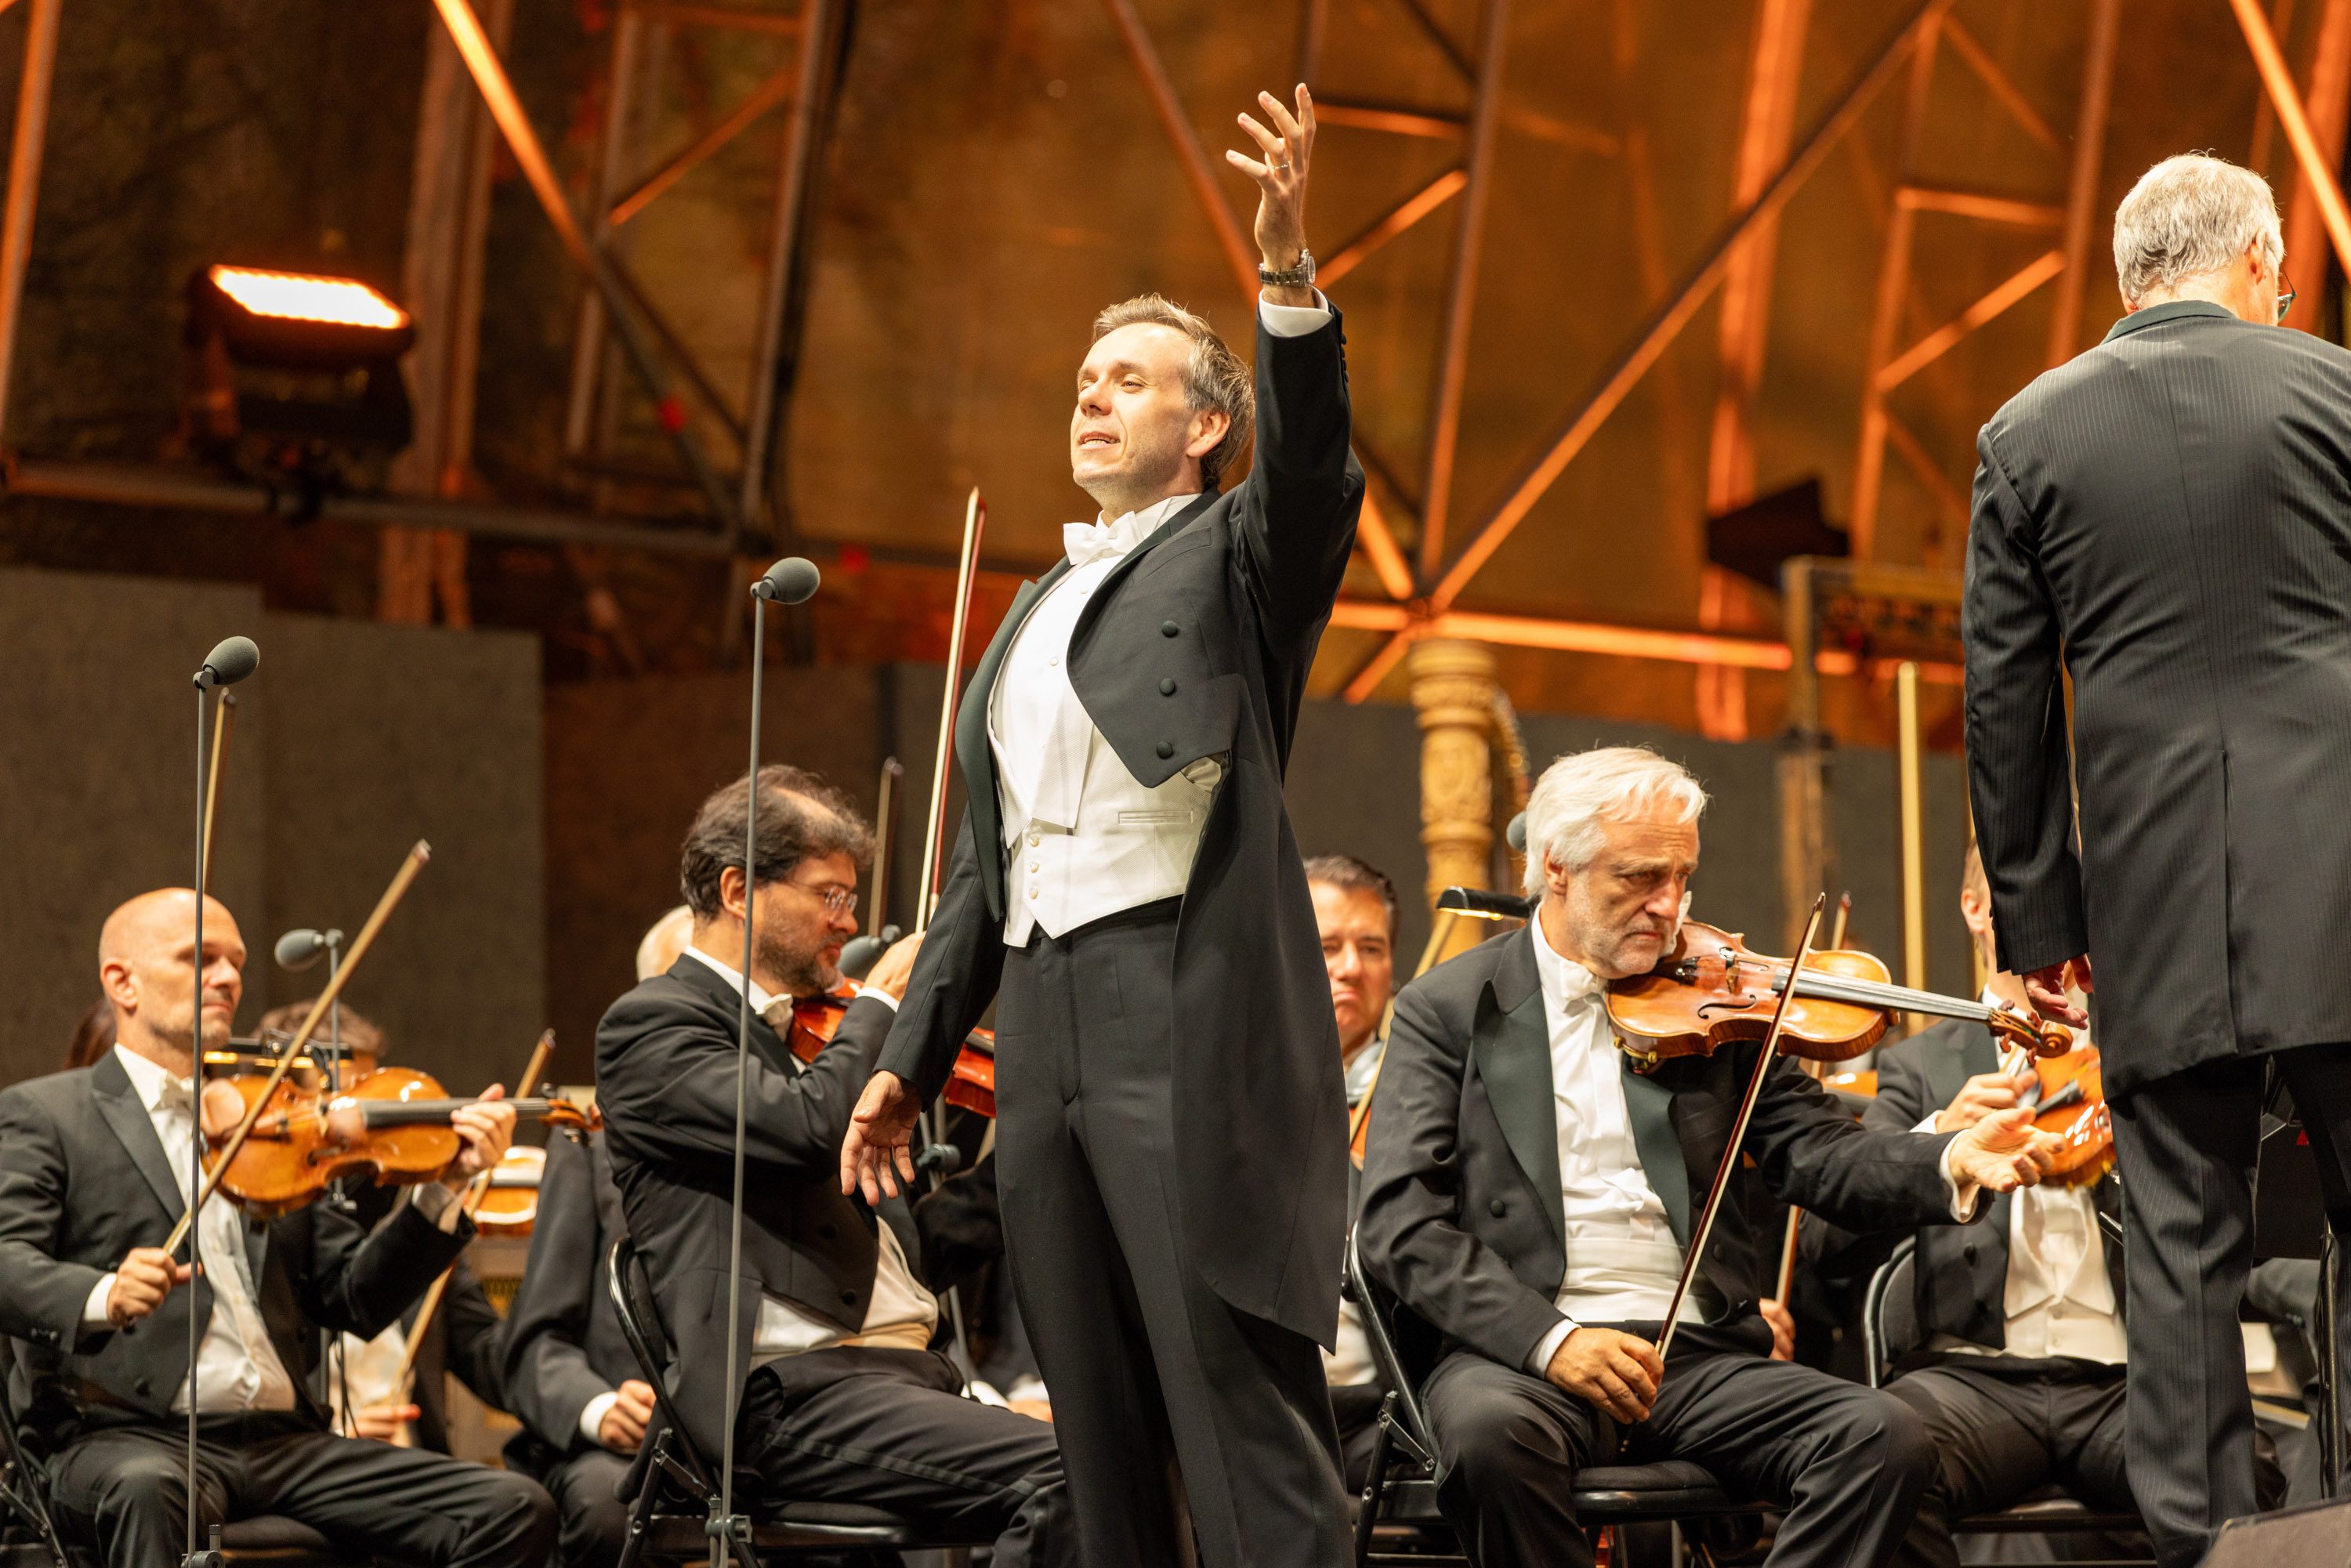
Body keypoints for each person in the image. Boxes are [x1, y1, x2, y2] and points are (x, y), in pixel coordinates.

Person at [842, 83, 1364, 1568]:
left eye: (1128, 379)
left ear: (1207, 425)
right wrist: (906, 1062)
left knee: (1229, 1397)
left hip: (1175, 995)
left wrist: (1285, 271)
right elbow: (978, 872)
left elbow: (1312, 471)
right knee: (1095, 1426)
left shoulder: (1240, 555)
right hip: (1044, 1017)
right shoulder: (1026, 612)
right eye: (1083, 377)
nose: (1091, 396)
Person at [1356, 748, 2065, 1568]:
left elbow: (1820, 1151)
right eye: (1639, 877)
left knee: (1884, 1436)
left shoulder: (1713, 1003)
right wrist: (1552, 1340)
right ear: (1556, 867)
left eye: (1682, 877)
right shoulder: (1448, 1007)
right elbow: (1401, 1225)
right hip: (1523, 1355)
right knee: (1488, 1438)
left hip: (1691, 1356)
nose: (1669, 906)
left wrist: (1950, 1158)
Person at [1962, 151, 2351, 1567]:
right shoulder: (2338, 393)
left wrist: (2037, 926)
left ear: (2129, 279)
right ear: (2259, 261)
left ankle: (2205, 1553)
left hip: (2154, 898)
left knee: (2181, 1250)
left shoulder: (2026, 431)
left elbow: (2003, 702)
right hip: (2344, 881)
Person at [595, 766, 1074, 1563]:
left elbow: (909, 1236)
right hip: (789, 1397)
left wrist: (1047, 1128)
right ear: (739, 891)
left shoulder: (811, 1032)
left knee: (1140, 1456)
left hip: (903, 1379)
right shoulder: (652, 1026)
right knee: (1084, 1475)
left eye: (849, 899)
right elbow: (808, 1128)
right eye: (830, 896)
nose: (848, 923)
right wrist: (882, 1006)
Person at [0, 889, 554, 1568]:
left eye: (236, 962)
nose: (228, 978)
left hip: (283, 1443)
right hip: (124, 1434)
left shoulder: (274, 1122)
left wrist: (445, 1188)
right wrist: (102, 1293)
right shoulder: (48, 1115)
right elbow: (6, 1261)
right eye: (199, 958)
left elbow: (355, 1297)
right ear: (123, 982)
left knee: (514, 1507)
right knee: (148, 1489)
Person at [1833, 843, 2273, 1563]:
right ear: (1975, 909)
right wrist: (1938, 1138)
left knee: (2238, 1462)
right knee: (1878, 1457)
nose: (2053, 920)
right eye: (2024, 897)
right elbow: (1831, 1236)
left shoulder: (2133, 1055)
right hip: (1974, 1380)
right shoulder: (1916, 1066)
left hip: (2121, 1382)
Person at [251, 998, 509, 1455]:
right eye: (343, 1102)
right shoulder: (273, 1228)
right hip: (307, 1459)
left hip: (414, 1460)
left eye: (372, 1101)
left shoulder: (421, 1218)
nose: (365, 1123)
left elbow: (494, 1363)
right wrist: (335, 1434)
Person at [498, 1124, 644, 1568]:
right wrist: (600, 1409)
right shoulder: (587, 1144)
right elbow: (537, 1346)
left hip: (766, 1433)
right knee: (609, 1509)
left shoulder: (794, 1141)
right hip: (622, 1447)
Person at [1306, 853, 1398, 1488]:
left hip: (1372, 1406)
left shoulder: (1417, 1094)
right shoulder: (1229, 1096)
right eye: (1327, 946)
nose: (1350, 968)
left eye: (1371, 948)